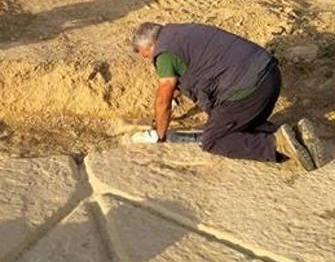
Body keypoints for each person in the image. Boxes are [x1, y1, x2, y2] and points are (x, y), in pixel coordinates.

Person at [132, 22, 315, 170]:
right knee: (238, 125)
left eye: (148, 56)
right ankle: (297, 137)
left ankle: (276, 144)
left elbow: (163, 97)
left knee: (213, 140)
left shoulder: (164, 53)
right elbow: (190, 71)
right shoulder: (180, 32)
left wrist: (159, 134)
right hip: (270, 77)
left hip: (247, 90)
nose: (152, 60)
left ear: (151, 45)